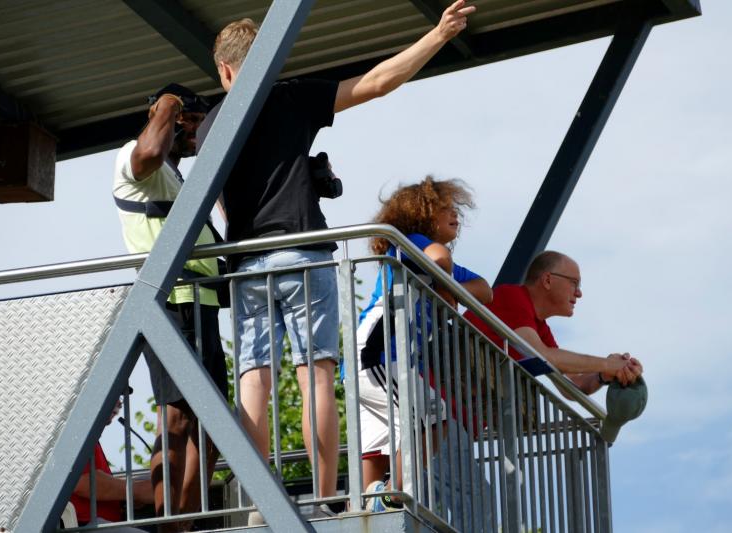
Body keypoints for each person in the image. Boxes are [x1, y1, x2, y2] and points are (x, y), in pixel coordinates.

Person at [196, 0, 477, 518]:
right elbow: (376, 82)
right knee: (316, 378)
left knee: (253, 381)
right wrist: (438, 35)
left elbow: (215, 201)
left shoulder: (210, 126)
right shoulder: (289, 98)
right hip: (302, 252)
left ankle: (259, 501)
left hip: (247, 261)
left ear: (226, 71)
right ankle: (325, 499)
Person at [112, 83, 229, 531]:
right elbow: (149, 152)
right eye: (190, 122)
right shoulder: (134, 157)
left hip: (201, 304)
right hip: (169, 304)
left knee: (214, 424)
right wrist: (167, 106)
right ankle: (169, 525)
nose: (196, 132)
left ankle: (185, 521)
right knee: (177, 418)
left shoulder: (177, 175)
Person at [351, 176, 492, 511]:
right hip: (380, 354)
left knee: (378, 444)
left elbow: (485, 290)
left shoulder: (427, 257)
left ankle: (363, 506)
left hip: (377, 359)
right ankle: (392, 495)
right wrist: (446, 289)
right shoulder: (410, 242)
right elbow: (440, 259)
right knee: (435, 418)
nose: (455, 215)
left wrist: (448, 290)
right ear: (423, 214)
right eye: (446, 208)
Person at [464, 250, 643, 394]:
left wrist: (603, 376)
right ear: (548, 280)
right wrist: (608, 364)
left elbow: (574, 384)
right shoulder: (511, 296)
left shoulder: (540, 328)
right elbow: (544, 356)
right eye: (574, 283)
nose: (579, 293)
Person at [69, 400, 153, 530]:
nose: (120, 402)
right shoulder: (73, 433)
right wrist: (139, 490)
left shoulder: (89, 439)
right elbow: (82, 482)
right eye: (114, 397)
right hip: (83, 526)